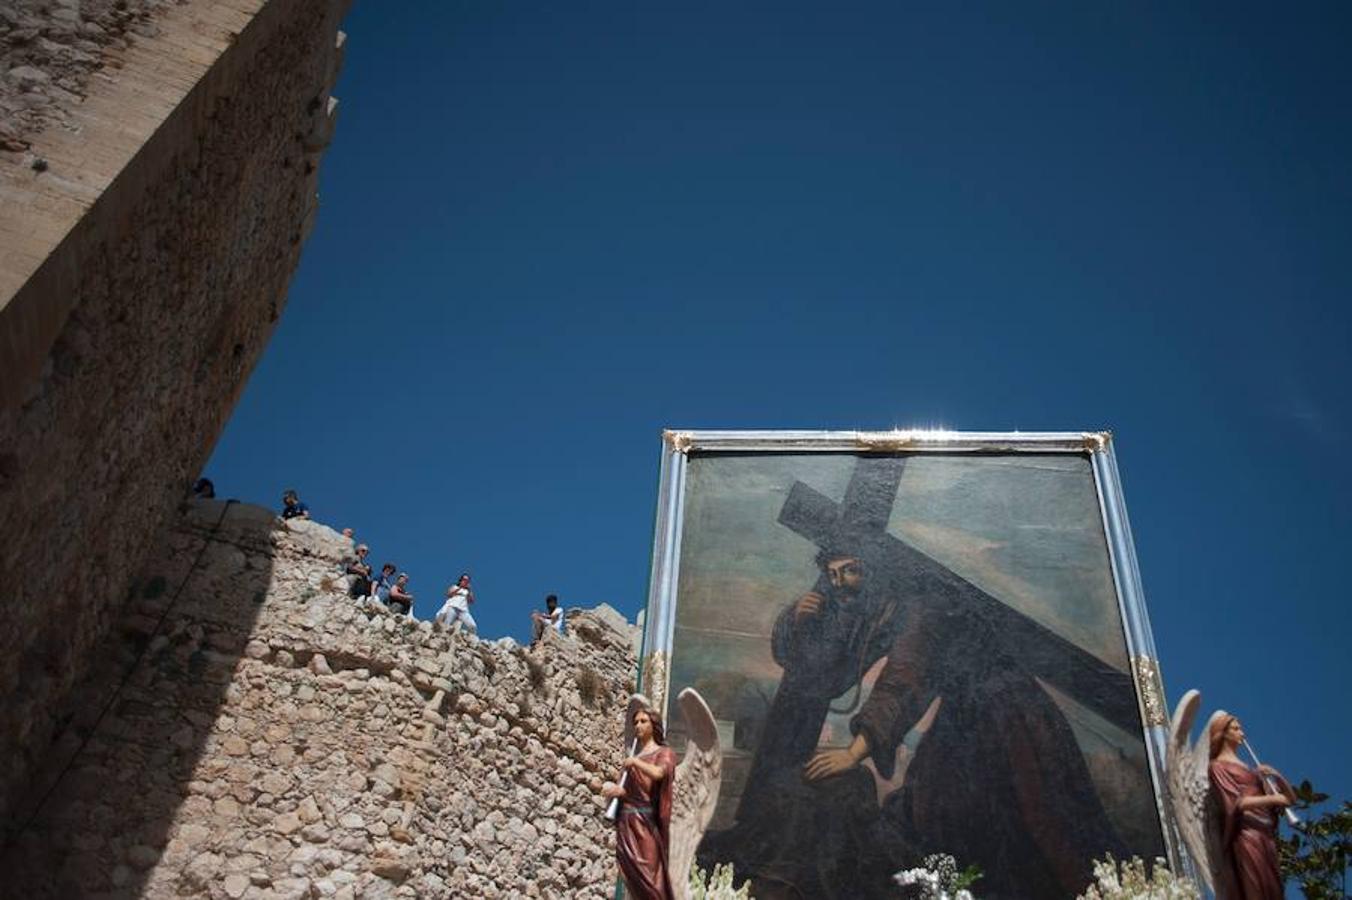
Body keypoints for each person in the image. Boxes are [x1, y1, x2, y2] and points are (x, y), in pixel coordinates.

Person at [1208, 715, 1295, 900]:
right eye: (1236, 729)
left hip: (1265, 834)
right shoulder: (1217, 767)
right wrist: (1272, 800)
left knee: (1273, 890)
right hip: (1247, 834)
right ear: (1223, 733)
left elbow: (1289, 800)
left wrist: (1276, 775)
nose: (1242, 733)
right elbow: (1235, 803)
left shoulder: (1251, 770)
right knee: (1254, 887)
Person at [602, 706, 678, 900]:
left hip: (646, 823)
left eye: (644, 721)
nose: (638, 726)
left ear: (654, 725)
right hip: (628, 822)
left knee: (651, 879)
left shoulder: (664, 753)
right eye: (635, 722)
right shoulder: (634, 756)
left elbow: (660, 773)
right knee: (633, 878)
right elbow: (630, 791)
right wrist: (618, 791)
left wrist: (635, 763)